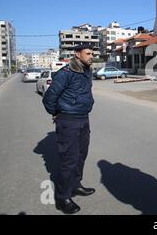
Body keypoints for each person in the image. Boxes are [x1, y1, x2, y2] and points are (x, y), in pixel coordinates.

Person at [42, 44, 96, 214]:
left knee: (81, 156)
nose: (91, 56)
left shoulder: (87, 71)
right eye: (88, 53)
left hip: (83, 118)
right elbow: (49, 97)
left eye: (92, 53)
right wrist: (57, 113)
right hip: (68, 121)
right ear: (77, 54)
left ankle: (75, 185)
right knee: (69, 159)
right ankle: (62, 198)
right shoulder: (66, 73)